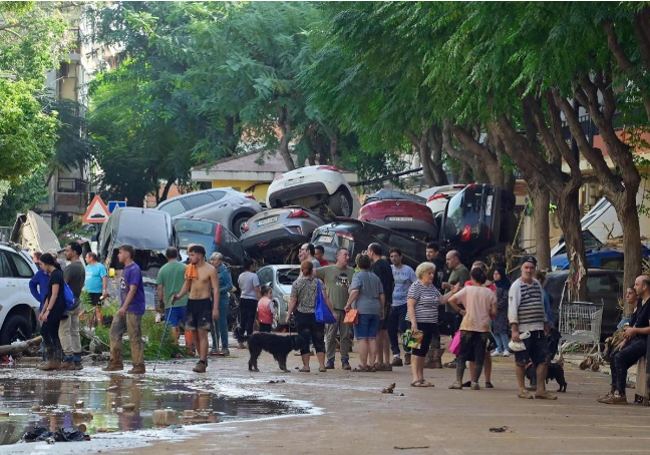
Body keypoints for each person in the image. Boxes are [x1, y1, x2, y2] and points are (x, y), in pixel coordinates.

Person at [508, 256, 556, 400]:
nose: (529, 270)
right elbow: (512, 309)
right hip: (524, 330)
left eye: (531, 268)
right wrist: (514, 329)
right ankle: (522, 389)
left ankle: (540, 389)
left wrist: (545, 324)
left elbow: (541, 306)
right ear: (521, 268)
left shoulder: (536, 284)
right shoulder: (516, 286)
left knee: (544, 359)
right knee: (521, 360)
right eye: (526, 267)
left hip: (538, 329)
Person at [598, 275, 650, 405]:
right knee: (614, 354)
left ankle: (621, 394)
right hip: (636, 338)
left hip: (645, 341)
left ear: (644, 287)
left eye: (637, 285)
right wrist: (625, 340)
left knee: (620, 357)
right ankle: (614, 390)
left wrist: (635, 331)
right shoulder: (641, 304)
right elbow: (634, 324)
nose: (635, 287)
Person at [406, 262, 457, 387]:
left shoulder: (431, 287)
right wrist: (414, 323)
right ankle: (415, 378)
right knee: (415, 350)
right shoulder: (416, 286)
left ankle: (421, 377)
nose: (431, 275)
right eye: (429, 273)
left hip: (430, 323)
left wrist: (453, 292)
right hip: (417, 323)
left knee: (424, 350)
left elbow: (441, 300)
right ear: (422, 274)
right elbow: (410, 305)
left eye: (432, 273)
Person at [172, 244, 220, 373]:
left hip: (204, 303)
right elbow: (187, 284)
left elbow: (216, 290)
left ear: (200, 255)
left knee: (202, 332)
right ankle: (201, 358)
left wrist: (215, 308)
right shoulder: (190, 268)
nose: (190, 257)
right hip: (191, 302)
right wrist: (178, 296)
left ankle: (202, 361)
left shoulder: (210, 270)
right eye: (190, 255)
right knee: (194, 333)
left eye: (192, 255)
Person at [448, 267, 497, 390]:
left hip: (468, 325)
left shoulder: (467, 290)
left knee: (462, 355)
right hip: (483, 327)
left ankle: (458, 381)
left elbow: (451, 299)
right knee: (479, 355)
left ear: (472, 277)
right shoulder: (489, 292)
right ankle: (475, 382)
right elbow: (494, 311)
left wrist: (461, 311)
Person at [103, 245, 147, 374]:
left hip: (133, 308)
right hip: (125, 307)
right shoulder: (125, 269)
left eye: (120, 253)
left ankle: (139, 365)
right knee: (114, 332)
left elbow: (133, 290)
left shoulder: (134, 269)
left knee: (134, 337)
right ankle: (115, 362)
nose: (118, 255)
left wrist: (124, 307)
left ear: (127, 254)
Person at [287, 260, 335, 373]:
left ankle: (306, 366)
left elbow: (293, 300)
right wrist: (332, 312)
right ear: (312, 269)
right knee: (318, 340)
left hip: (302, 316)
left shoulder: (296, 284)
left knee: (304, 341)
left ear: (301, 270)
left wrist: (288, 314)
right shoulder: (318, 282)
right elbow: (325, 298)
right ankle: (322, 365)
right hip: (317, 316)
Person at [316, 248, 355, 370]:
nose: (347, 257)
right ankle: (330, 360)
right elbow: (310, 272)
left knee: (345, 336)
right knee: (330, 336)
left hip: (347, 309)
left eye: (348, 255)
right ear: (337, 256)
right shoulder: (328, 269)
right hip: (331, 309)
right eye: (345, 255)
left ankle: (345, 360)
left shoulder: (352, 271)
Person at [345, 254, 384, 372]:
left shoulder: (358, 275)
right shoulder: (375, 277)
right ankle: (372, 364)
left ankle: (363, 364)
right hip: (375, 309)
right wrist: (382, 309)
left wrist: (348, 304)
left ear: (357, 264)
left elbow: (355, 291)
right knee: (372, 338)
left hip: (362, 310)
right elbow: (382, 294)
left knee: (362, 338)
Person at [156, 247, 190, 351]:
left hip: (170, 303)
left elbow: (160, 288)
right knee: (188, 325)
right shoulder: (185, 267)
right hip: (186, 301)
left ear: (166, 256)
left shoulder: (162, 270)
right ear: (177, 255)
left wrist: (161, 302)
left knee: (172, 326)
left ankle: (175, 348)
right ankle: (189, 348)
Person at [37, 253, 66, 371]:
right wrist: (43, 310)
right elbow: (48, 296)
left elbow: (54, 295)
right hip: (52, 307)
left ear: (47, 264)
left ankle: (51, 360)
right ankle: (56, 360)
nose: (40, 267)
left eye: (41, 264)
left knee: (45, 331)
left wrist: (48, 311)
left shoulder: (56, 275)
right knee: (53, 332)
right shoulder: (53, 275)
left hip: (56, 307)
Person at [367, 243, 394, 371]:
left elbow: (378, 286)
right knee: (385, 332)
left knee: (378, 331)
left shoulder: (376, 266)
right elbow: (392, 283)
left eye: (368, 251)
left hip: (380, 302)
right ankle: (387, 361)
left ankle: (379, 360)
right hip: (389, 300)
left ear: (372, 252)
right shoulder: (387, 264)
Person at [389, 248, 417, 367]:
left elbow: (416, 284)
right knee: (391, 329)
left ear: (401, 257)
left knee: (406, 328)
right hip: (392, 303)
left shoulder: (408, 270)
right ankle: (396, 354)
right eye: (391, 256)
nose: (394, 258)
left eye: (396, 256)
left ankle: (409, 352)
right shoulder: (389, 269)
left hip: (405, 303)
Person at [59, 242, 85, 370]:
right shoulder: (81, 267)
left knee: (64, 331)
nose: (65, 253)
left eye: (68, 250)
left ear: (74, 252)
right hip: (77, 302)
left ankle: (68, 358)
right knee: (75, 330)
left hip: (67, 303)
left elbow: (62, 286)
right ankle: (77, 357)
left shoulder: (70, 268)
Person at [209, 253, 233, 356]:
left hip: (222, 300)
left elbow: (229, 286)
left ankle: (224, 346)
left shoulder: (224, 271)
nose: (213, 262)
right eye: (212, 260)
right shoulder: (210, 270)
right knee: (212, 323)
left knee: (222, 322)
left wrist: (218, 290)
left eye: (214, 260)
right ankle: (214, 346)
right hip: (211, 299)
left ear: (219, 261)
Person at [29, 252, 49, 363]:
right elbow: (31, 284)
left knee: (56, 334)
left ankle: (56, 357)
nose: (41, 266)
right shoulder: (40, 274)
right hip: (43, 307)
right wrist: (38, 297)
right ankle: (45, 358)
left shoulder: (57, 274)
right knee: (44, 334)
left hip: (55, 309)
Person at [238, 259, 261, 348]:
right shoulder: (254, 276)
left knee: (243, 321)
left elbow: (240, 286)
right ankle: (249, 342)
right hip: (252, 300)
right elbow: (256, 289)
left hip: (242, 299)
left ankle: (240, 342)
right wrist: (260, 300)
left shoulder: (241, 275)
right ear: (251, 266)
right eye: (254, 265)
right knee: (250, 321)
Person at [85, 252, 108, 329]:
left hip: (97, 292)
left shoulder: (100, 267)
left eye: (86, 257)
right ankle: (90, 327)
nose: (85, 259)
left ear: (91, 258)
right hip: (88, 291)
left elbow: (104, 278)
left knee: (98, 309)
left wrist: (104, 290)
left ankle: (100, 328)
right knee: (89, 310)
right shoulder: (87, 267)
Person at [491, 267, 511, 357]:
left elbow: (505, 298)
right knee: (495, 330)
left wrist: (497, 306)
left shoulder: (506, 285)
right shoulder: (493, 285)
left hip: (502, 311)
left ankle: (506, 348)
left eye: (497, 274)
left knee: (502, 330)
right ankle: (498, 348)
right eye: (494, 274)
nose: (495, 276)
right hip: (493, 311)